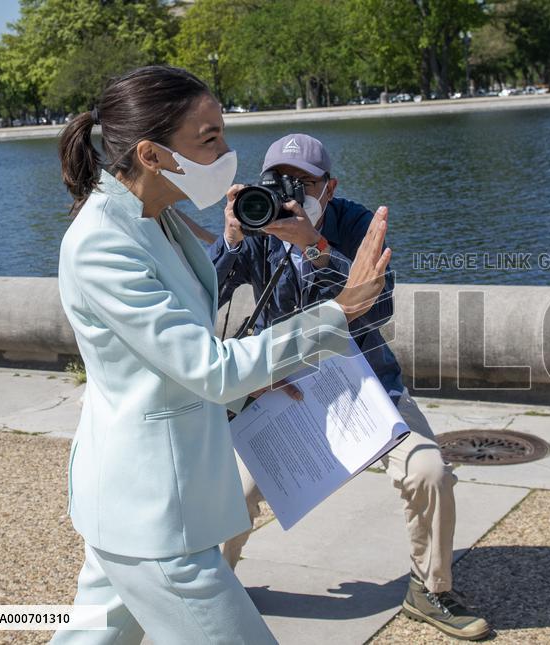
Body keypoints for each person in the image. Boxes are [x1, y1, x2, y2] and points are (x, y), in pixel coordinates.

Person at [52, 66, 390, 644]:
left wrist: (253, 378)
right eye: (209, 138)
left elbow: (179, 356)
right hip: (156, 515)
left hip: (139, 503)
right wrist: (341, 310)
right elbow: (207, 368)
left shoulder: (154, 219)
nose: (228, 152)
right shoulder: (104, 243)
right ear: (151, 154)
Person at [207, 133, 491, 641]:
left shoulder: (355, 222)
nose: (288, 191)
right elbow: (204, 296)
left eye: (304, 182)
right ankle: (212, 588)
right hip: (284, 385)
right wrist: (229, 238)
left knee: (429, 471)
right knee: (231, 491)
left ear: (329, 187)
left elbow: (379, 308)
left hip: (364, 381)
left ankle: (430, 589)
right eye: (277, 179)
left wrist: (314, 248)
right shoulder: (256, 217)